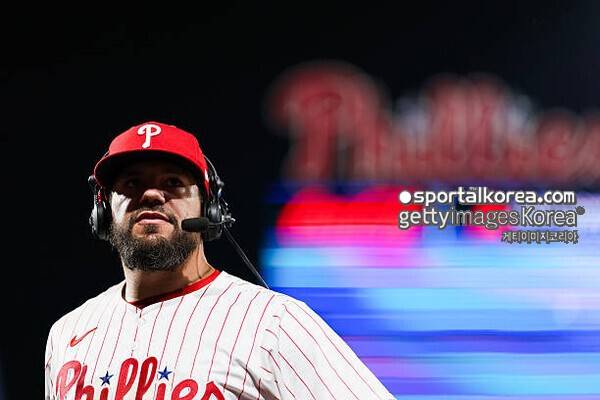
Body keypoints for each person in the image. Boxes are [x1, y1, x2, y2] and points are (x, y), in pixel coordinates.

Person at [44, 121, 394, 400]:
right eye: (131, 183)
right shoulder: (68, 333)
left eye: (172, 182)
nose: (150, 194)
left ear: (209, 209)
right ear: (103, 211)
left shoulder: (273, 322)